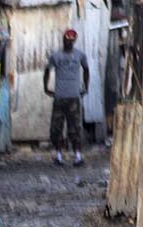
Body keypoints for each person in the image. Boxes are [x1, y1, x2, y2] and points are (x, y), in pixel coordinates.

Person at [45, 28, 91, 167]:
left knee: (75, 128)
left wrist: (86, 87)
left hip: (74, 97)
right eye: (66, 39)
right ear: (63, 39)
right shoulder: (56, 56)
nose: (68, 42)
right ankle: (59, 156)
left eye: (71, 40)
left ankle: (77, 156)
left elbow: (86, 70)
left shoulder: (80, 55)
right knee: (57, 128)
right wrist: (46, 87)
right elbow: (47, 70)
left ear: (74, 41)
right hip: (59, 97)